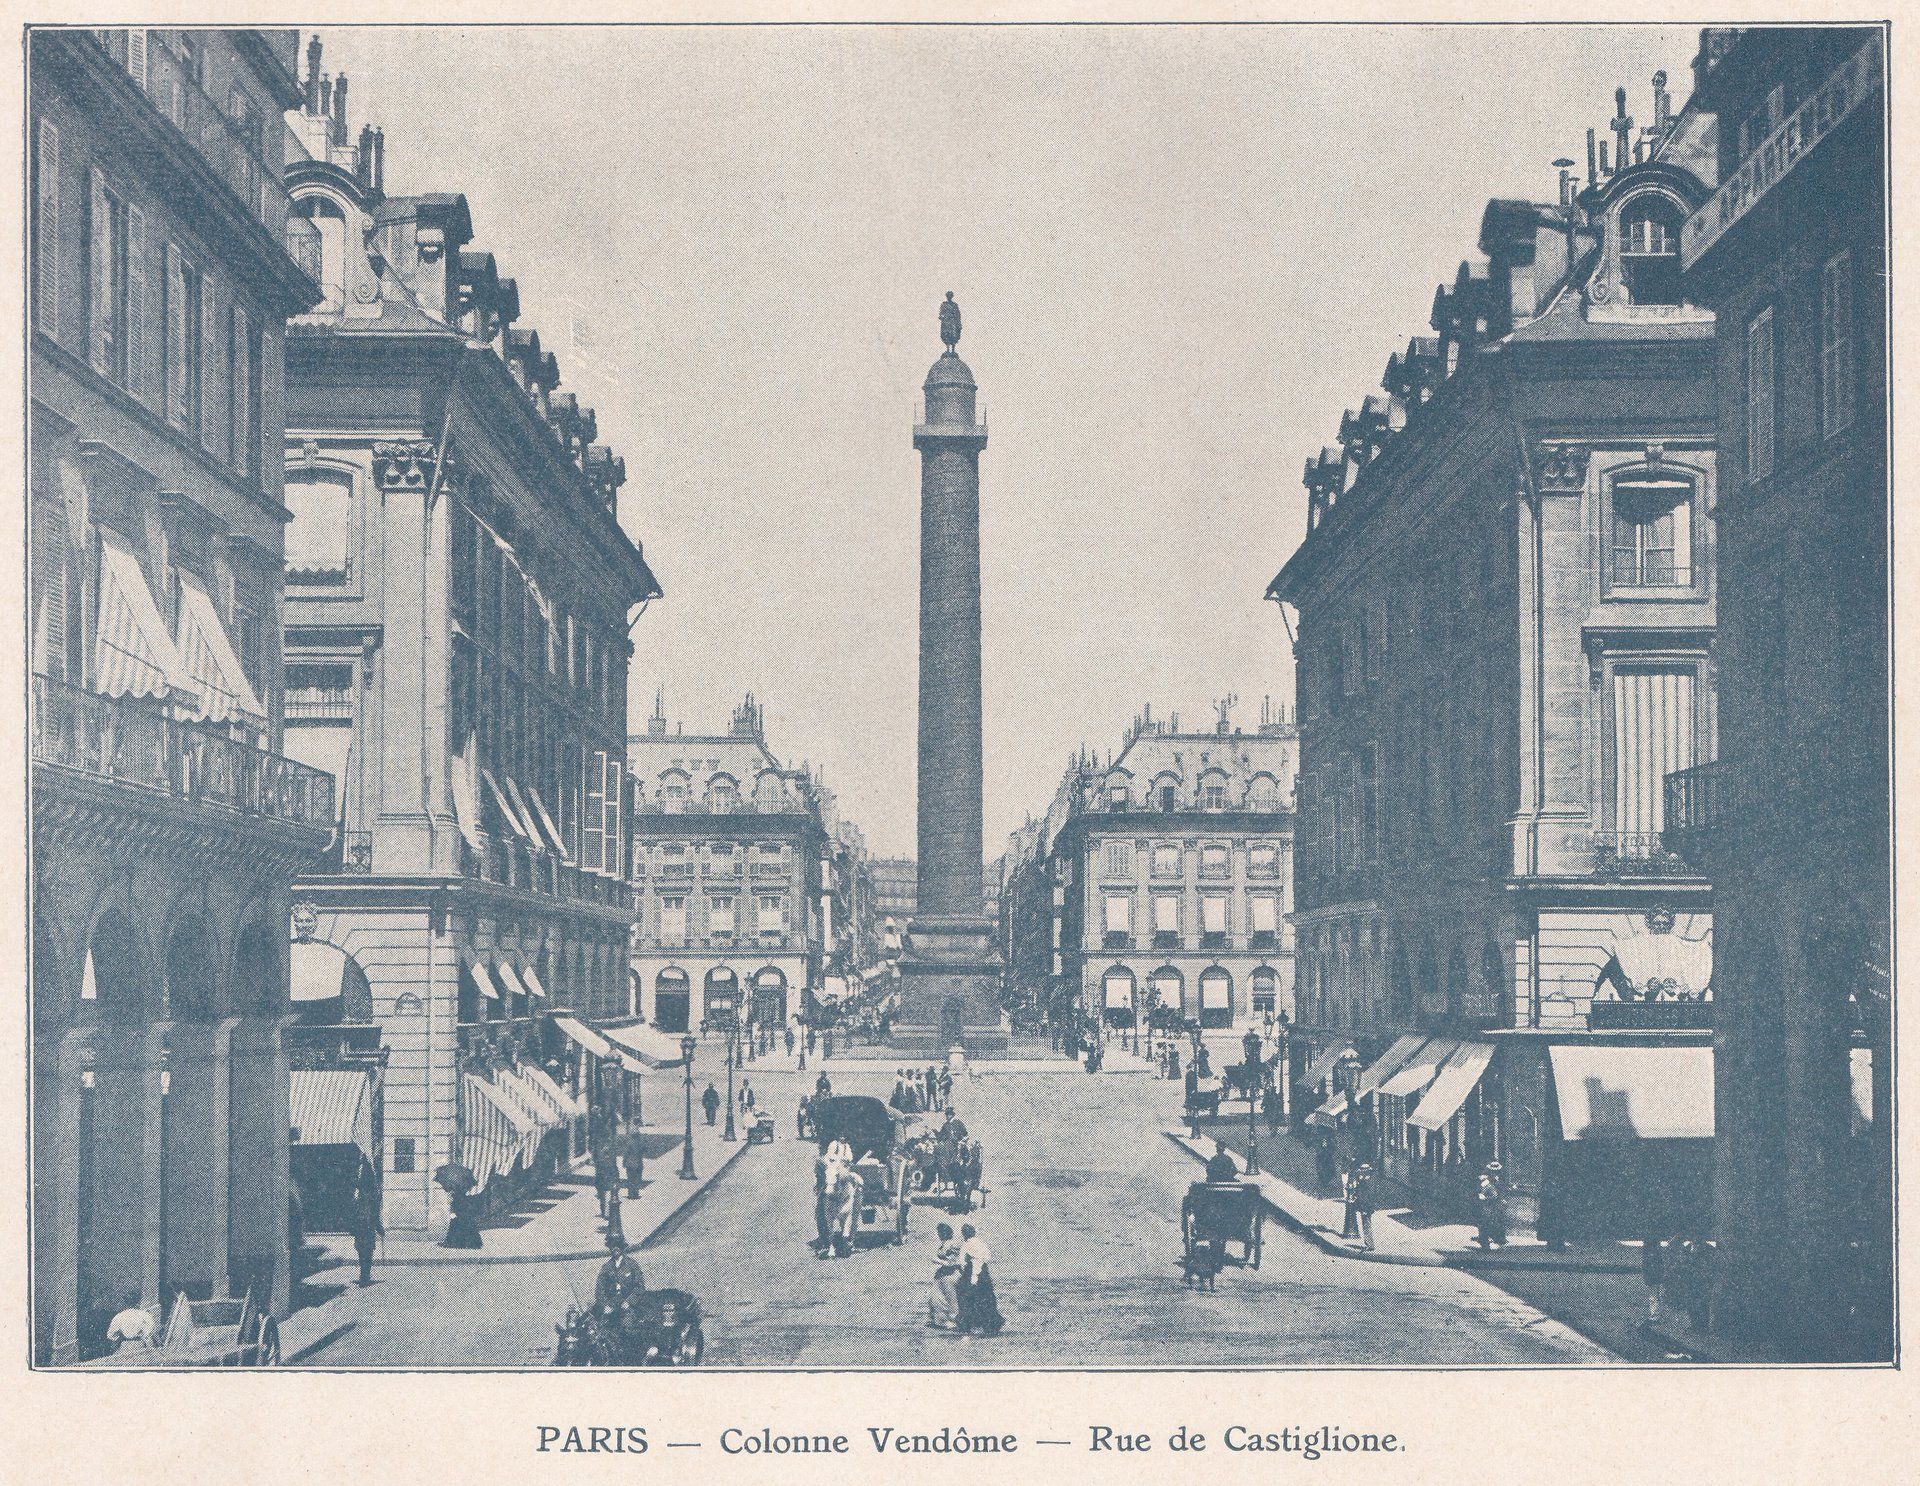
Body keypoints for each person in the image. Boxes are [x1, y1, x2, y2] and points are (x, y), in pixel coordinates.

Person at [957, 1224, 1003, 1335]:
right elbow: (987, 1257)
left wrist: (973, 1277)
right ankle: (990, 1324)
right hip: (984, 1274)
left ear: (965, 1234)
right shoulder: (980, 1243)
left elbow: (968, 1262)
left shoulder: (967, 1245)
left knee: (968, 1299)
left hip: (972, 1273)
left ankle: (969, 1325)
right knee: (986, 1298)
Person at [350, 1165, 383, 1286]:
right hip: (366, 1227)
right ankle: (365, 1276)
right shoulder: (371, 1194)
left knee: (362, 1250)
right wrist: (379, 1228)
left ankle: (364, 1275)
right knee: (367, 1251)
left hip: (362, 1226)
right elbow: (375, 1213)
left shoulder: (361, 1194)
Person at [929, 1222, 962, 1329]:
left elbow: (953, 1262)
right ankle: (942, 1320)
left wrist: (937, 1261)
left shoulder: (952, 1244)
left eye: (939, 1232)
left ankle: (953, 1320)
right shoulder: (944, 1243)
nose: (938, 1235)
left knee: (950, 1298)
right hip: (942, 1277)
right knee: (937, 1298)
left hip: (950, 1275)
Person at [1474, 1162, 1507, 1250]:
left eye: (1496, 1171)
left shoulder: (1498, 1180)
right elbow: (1480, 1192)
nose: (1495, 1173)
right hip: (1488, 1206)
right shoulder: (1486, 1182)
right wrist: (1483, 1197)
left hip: (1495, 1205)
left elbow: (1500, 1191)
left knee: (1494, 1223)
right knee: (1485, 1224)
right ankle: (1485, 1243)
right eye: (1493, 1171)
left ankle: (1497, 1240)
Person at [1350, 1162, 1378, 1251]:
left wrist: (1365, 1208)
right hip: (1366, 1206)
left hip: (1366, 1207)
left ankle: (1369, 1245)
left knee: (1366, 1225)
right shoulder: (1368, 1181)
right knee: (1366, 1224)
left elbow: (1367, 1196)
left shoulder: (1366, 1183)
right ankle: (1369, 1244)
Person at [1641, 1235, 1667, 1325]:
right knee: (1655, 1296)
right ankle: (1656, 1315)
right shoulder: (1655, 1252)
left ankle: (1656, 1315)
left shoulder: (1649, 1253)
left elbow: (1647, 1265)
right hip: (1654, 1275)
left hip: (1653, 1275)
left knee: (1654, 1296)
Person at [592, 1137, 620, 1217]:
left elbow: (598, 1175)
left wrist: (597, 1186)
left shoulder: (600, 1163)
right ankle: (608, 1213)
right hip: (610, 1183)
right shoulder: (612, 1163)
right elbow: (616, 1173)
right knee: (610, 1198)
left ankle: (604, 1212)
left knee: (602, 1199)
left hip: (602, 1184)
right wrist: (616, 1182)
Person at [622, 1124, 648, 1200]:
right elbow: (645, 1150)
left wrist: (624, 1162)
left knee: (630, 1179)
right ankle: (636, 1193)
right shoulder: (640, 1143)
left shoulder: (630, 1143)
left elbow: (626, 1153)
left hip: (630, 1163)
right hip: (639, 1163)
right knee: (637, 1179)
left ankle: (631, 1193)